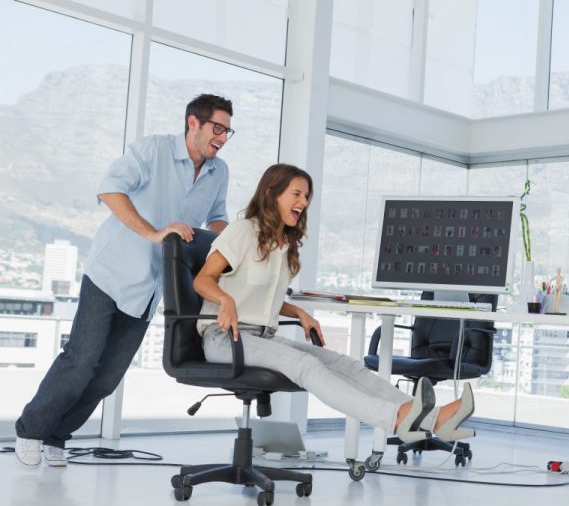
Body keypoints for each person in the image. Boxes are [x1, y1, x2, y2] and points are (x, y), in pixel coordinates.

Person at [15, 93, 235, 467]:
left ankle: (56, 436)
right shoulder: (153, 150)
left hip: (150, 288)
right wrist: (153, 233)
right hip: (111, 272)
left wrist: (218, 245)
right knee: (81, 361)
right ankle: (30, 430)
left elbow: (217, 218)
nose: (223, 137)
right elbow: (109, 189)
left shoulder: (219, 172)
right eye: (218, 128)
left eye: (229, 131)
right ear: (193, 123)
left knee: (107, 378)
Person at [193, 164, 476, 445]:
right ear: (272, 193)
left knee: (343, 364)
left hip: (259, 337)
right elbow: (203, 280)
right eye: (297, 194)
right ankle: (398, 419)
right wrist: (224, 299)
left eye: (306, 197)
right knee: (306, 365)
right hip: (223, 339)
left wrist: (297, 311)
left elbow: (263, 298)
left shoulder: (283, 244)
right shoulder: (243, 231)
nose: (303, 202)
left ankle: (435, 419)